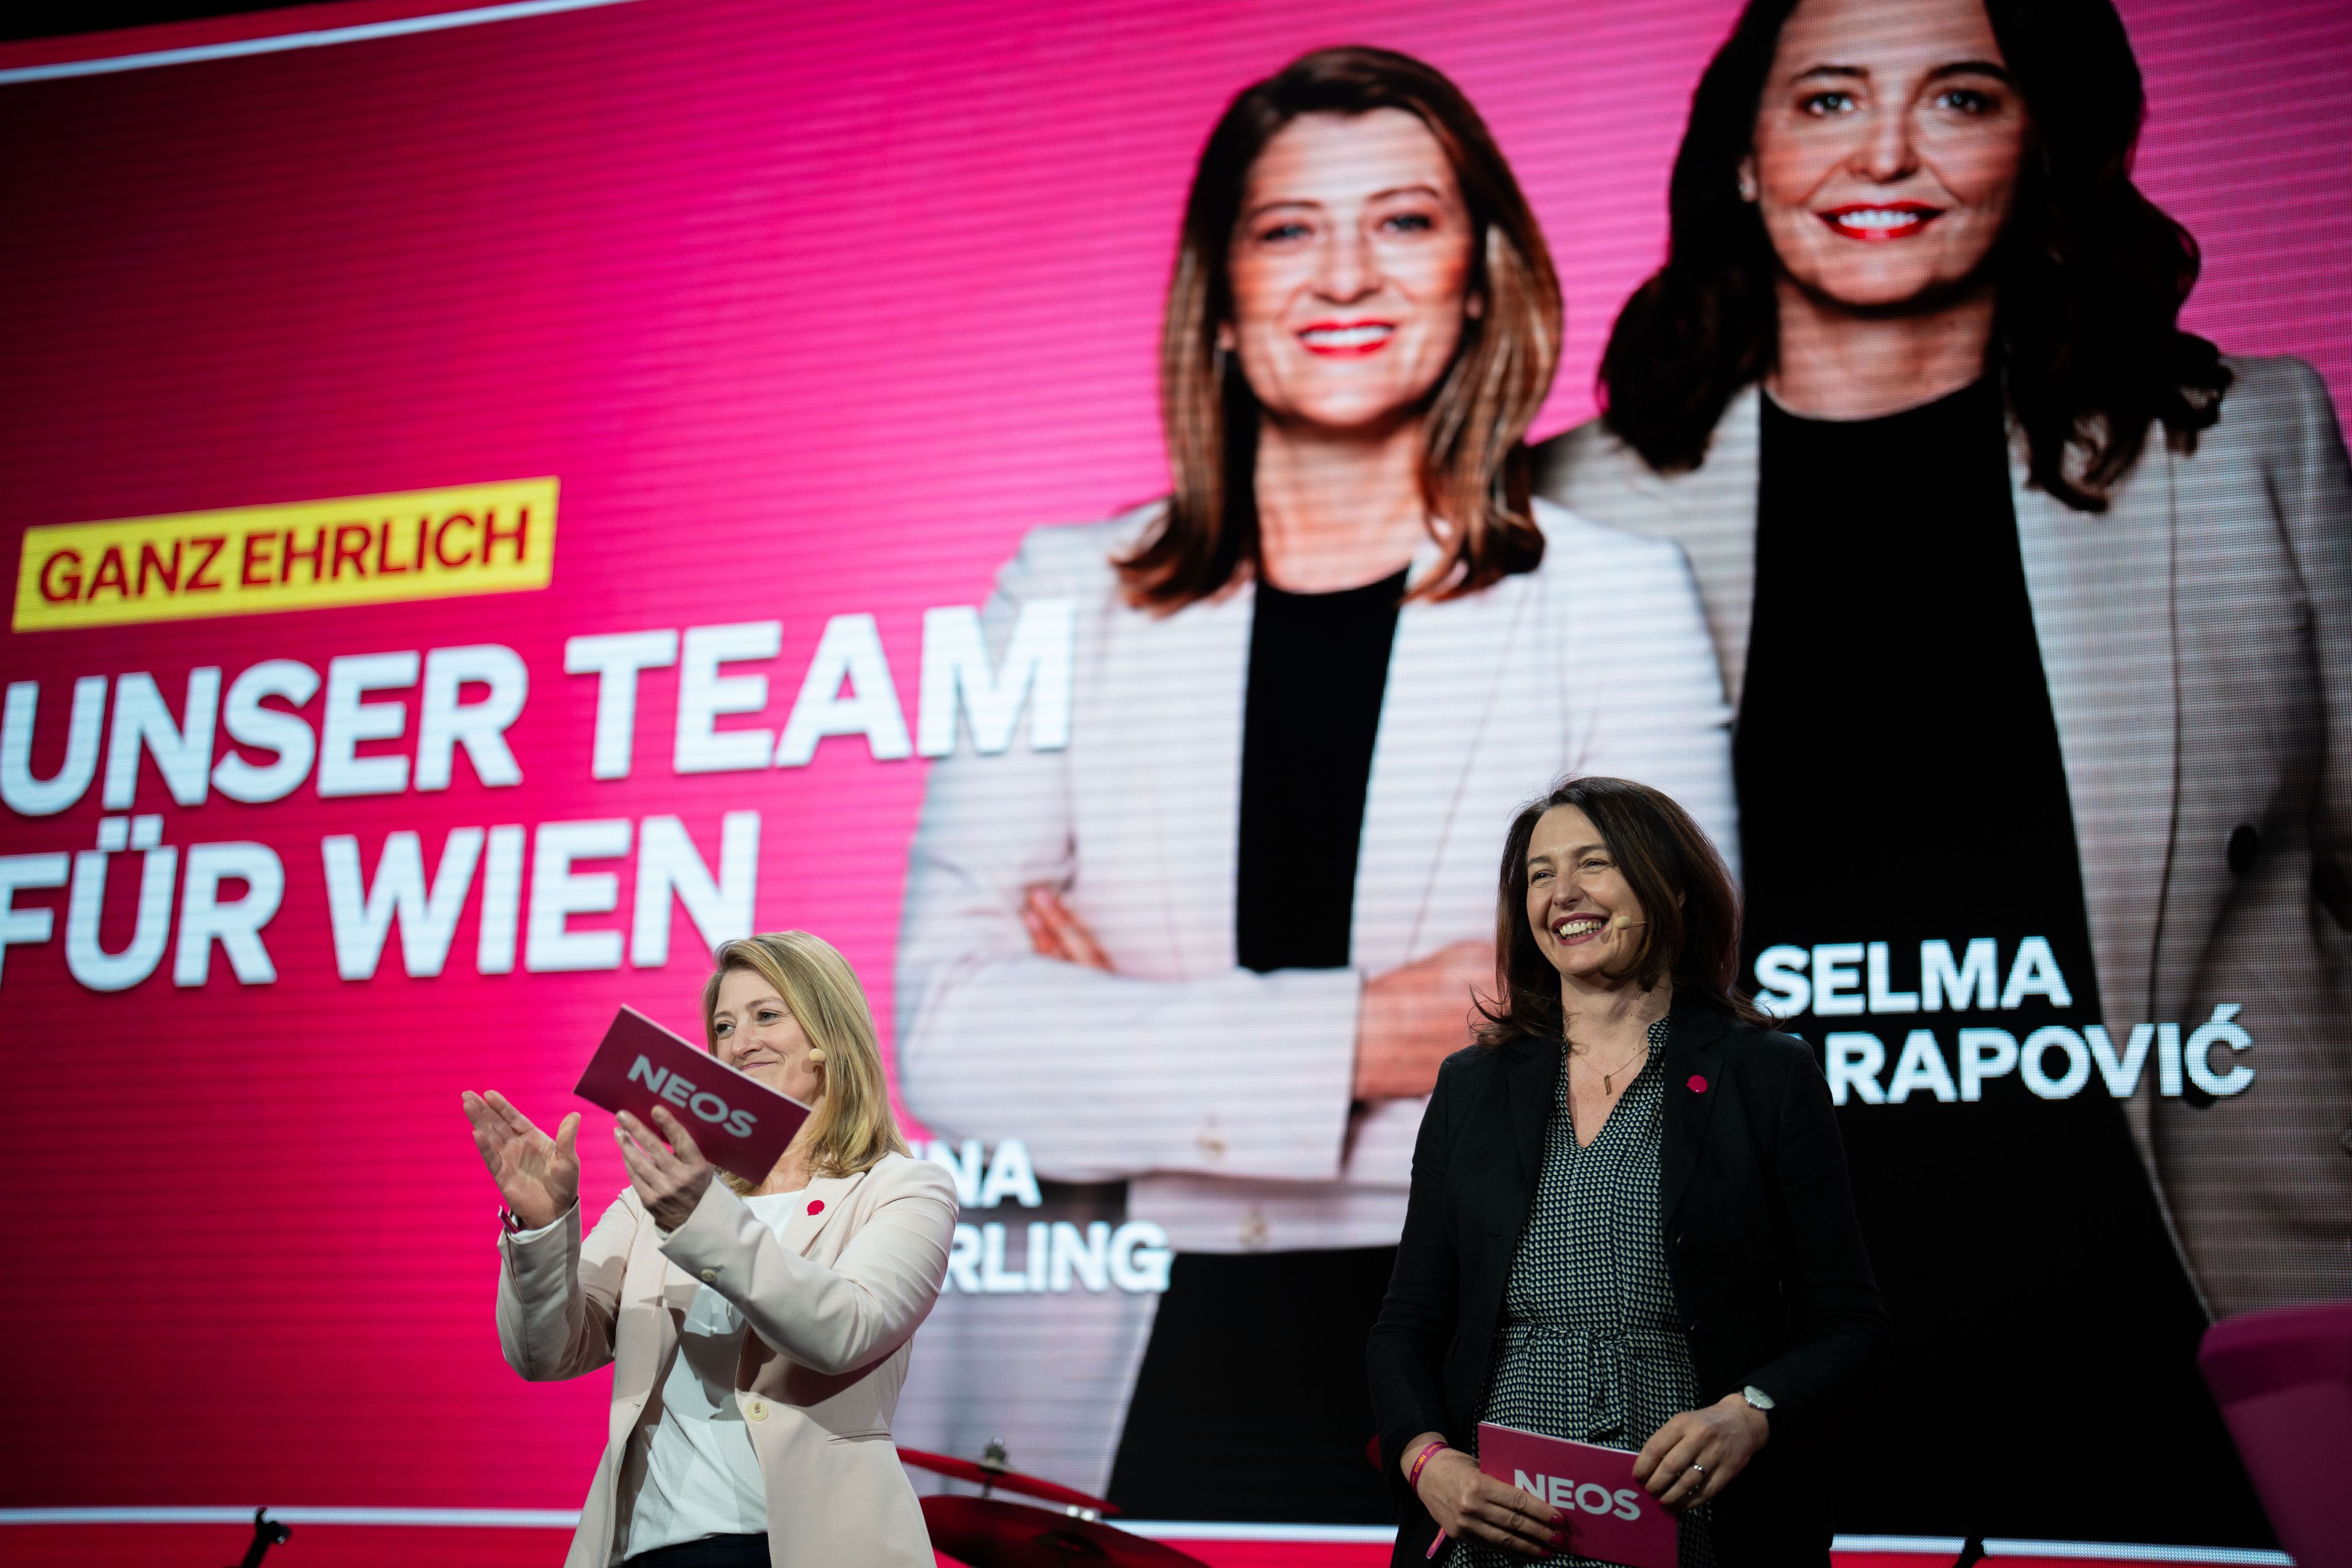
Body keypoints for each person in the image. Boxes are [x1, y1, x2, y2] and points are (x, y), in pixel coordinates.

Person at [1533, 0, 2350, 1542]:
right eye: (1828, 100)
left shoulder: (2243, 443)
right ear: (1744, 156)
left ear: (2040, 142)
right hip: (1729, 1371)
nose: (1887, 155)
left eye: (1961, 98)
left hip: (2189, 1331)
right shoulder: (1576, 501)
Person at [896, 46, 1735, 1522]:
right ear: (1220, 300)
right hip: (1112, 1352)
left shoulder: (1613, 594)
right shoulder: (1065, 589)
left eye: (1403, 221)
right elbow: (954, 1040)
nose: (1345, 274)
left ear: (1478, 280)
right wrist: (1376, 1030)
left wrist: (1120, 1031)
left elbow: (1646, 1018)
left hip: (1502, 1340)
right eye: (1288, 229)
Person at [1368, 776, 1886, 1567]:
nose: (1563, 893)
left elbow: (1850, 1324)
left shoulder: (1766, 1073)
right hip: (1493, 1530)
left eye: (1594, 863)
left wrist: (1751, 1413)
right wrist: (1426, 1461)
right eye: (1540, 874)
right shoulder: (1472, 1084)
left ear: (1670, 886)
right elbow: (1406, 1324)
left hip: (1698, 1526)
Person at [460, 932, 957, 1568]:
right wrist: (542, 1225)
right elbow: (545, 1354)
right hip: (649, 1550)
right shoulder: (653, 1203)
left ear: (830, 1039)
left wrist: (701, 1219)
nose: (739, 1042)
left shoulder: (902, 1188)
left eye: (766, 1016)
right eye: (724, 1026)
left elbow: (843, 1330)